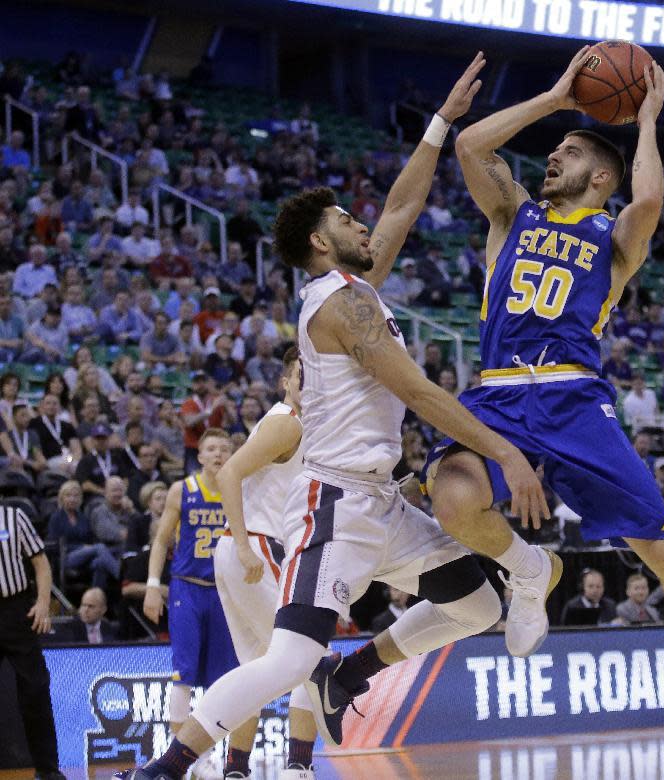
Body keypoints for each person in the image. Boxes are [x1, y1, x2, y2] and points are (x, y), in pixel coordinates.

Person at [116, 54, 541, 780]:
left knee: (474, 606)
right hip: (336, 504)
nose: (361, 220)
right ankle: (169, 766)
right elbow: (420, 393)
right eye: (346, 217)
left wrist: (439, 123)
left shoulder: (356, 286)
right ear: (321, 241)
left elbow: (403, 209)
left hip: (381, 499)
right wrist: (505, 452)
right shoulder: (342, 305)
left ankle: (351, 676)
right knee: (288, 660)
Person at [421, 48, 664, 727]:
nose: (553, 157)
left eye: (570, 152)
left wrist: (649, 119)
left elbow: (652, 198)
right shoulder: (512, 214)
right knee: (453, 502)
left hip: (575, 398)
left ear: (600, 175)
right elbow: (468, 144)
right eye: (555, 149)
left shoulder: (615, 237)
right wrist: (555, 99)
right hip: (498, 392)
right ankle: (529, 570)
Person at [201, 346, 318, 779]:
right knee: (308, 655)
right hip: (256, 547)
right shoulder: (286, 423)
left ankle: (235, 769)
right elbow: (227, 473)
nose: (309, 382)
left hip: (240, 548)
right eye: (300, 376)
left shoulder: (298, 424)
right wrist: (248, 544)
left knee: (256, 669)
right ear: (285, 383)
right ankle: (299, 766)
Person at [141, 428, 253, 780]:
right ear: (200, 455)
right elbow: (161, 542)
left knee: (224, 679)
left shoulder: (240, 490)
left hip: (225, 592)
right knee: (183, 673)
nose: (219, 453)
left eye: (224, 448)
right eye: (211, 448)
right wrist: (152, 585)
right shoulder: (182, 490)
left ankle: (216, 757)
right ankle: (190, 761)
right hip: (187, 589)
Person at [0, 503, 65, 780]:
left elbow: (41, 564)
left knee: (36, 689)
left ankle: (48, 770)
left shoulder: (13, 516)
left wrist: (42, 602)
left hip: (16, 610)